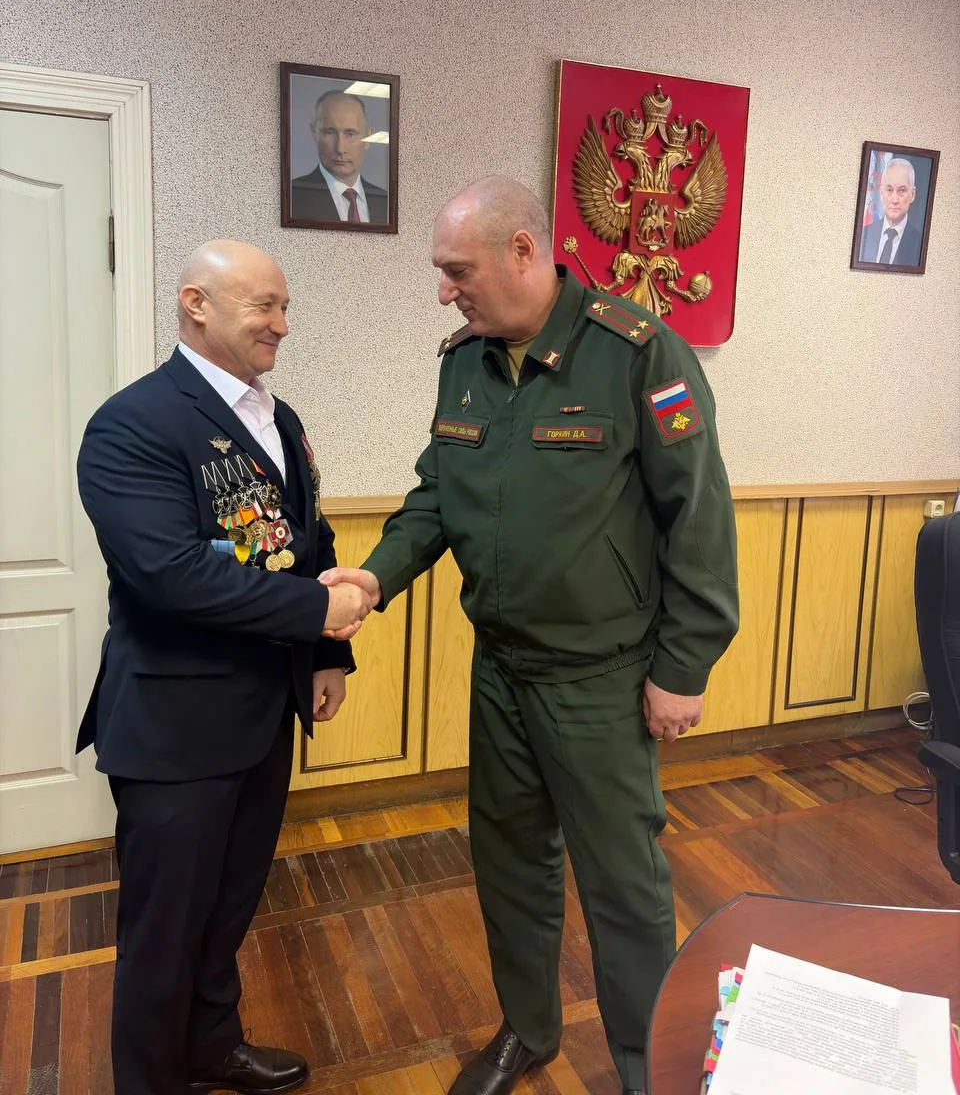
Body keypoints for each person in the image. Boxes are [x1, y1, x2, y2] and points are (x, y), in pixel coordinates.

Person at [321, 177, 739, 1095]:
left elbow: (699, 517)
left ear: (522, 251)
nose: (444, 292)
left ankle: (648, 1068)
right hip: (501, 669)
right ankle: (528, 1029)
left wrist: (685, 665)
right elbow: (437, 493)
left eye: (456, 271)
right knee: (510, 864)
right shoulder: (464, 363)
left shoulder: (637, 352)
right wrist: (375, 576)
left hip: (601, 677)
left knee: (622, 886)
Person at [76, 239, 373, 1095]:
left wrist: (327, 654)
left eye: (285, 307)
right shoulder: (133, 423)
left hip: (262, 714)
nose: (281, 325)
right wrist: (316, 613)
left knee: (228, 907)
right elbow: (168, 574)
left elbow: (307, 540)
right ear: (196, 304)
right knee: (163, 932)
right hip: (175, 730)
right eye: (262, 306)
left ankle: (211, 1046)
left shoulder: (279, 419)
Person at [291, 90, 388, 224]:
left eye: (350, 134)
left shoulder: (386, 202)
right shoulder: (292, 197)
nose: (340, 148)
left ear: (368, 138)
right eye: (330, 133)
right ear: (314, 134)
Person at [859, 157, 923, 266]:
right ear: (881, 193)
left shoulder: (920, 242)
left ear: (912, 194)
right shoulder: (864, 234)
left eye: (901, 190)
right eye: (889, 190)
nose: (894, 200)